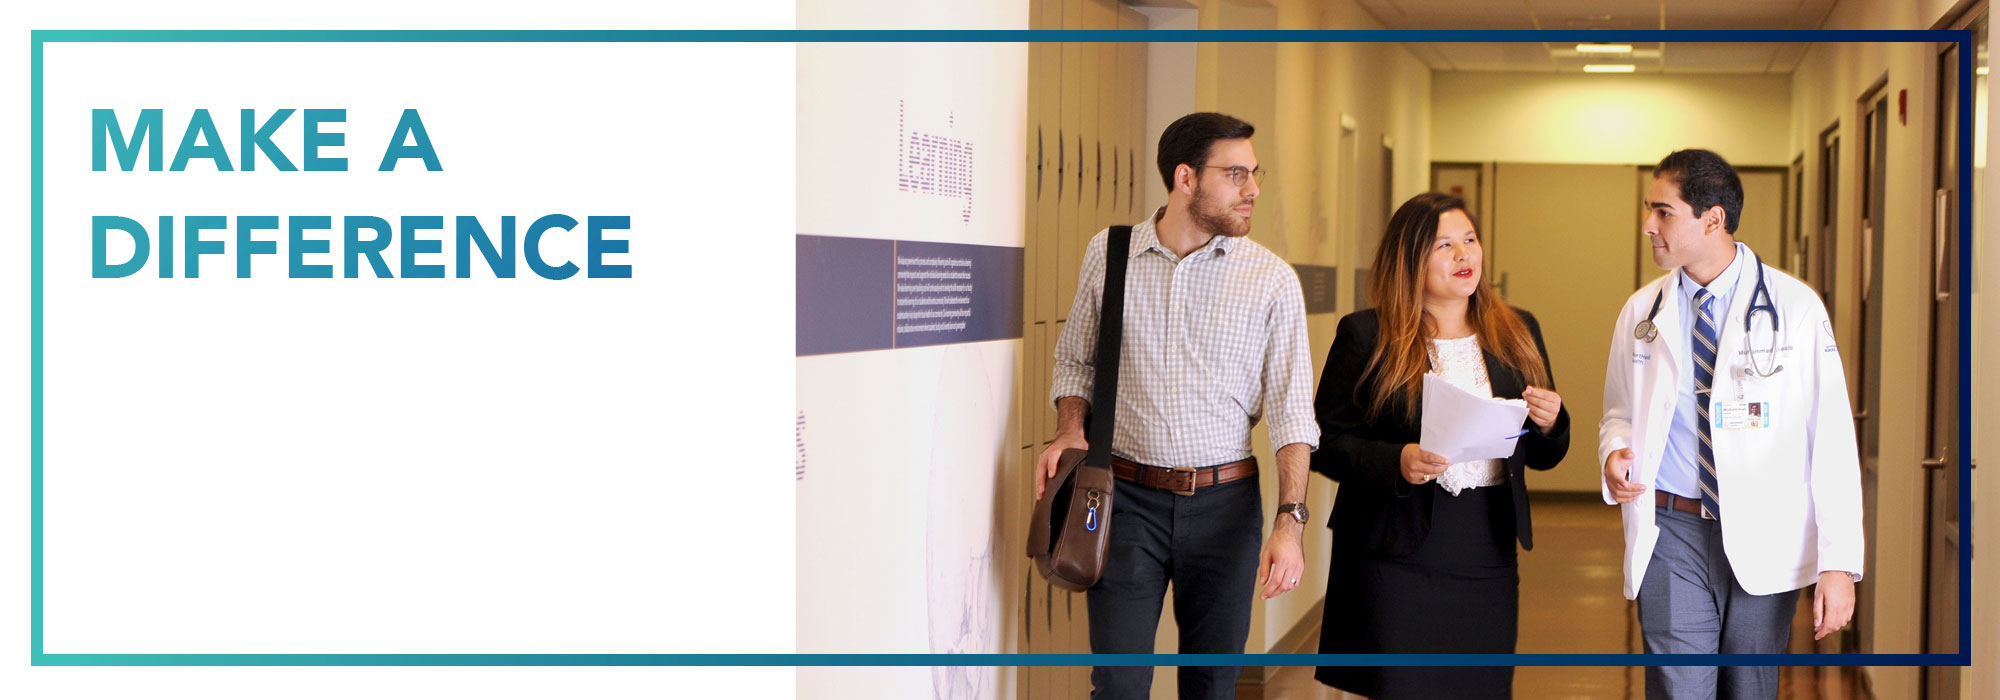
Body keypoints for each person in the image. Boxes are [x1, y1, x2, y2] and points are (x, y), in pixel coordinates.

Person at [1036, 112, 1318, 700]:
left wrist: (1289, 524)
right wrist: (1069, 429)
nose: (1253, 189)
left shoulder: (1270, 279)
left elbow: (1294, 413)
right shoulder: (1110, 254)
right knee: (1118, 683)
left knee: (1213, 684)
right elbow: (1075, 361)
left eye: (1254, 173)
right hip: (1124, 499)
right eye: (1236, 173)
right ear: (1185, 178)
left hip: (1226, 507)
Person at [1600, 149, 1863, 699]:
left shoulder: (1796, 308)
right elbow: (1619, 412)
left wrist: (1839, 564)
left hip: (1767, 528)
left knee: (1749, 688)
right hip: (1672, 527)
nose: (1648, 225)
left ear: (1712, 218)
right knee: (1681, 689)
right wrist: (1615, 452)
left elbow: (1832, 441)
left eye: (1663, 211)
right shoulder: (1641, 312)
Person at [1311, 192, 1570, 698]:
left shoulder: (1518, 330)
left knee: (1480, 688)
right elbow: (1326, 441)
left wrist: (1551, 423)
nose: (1464, 255)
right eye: (1444, 245)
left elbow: (1543, 456)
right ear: (1410, 259)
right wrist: (1396, 460)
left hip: (1484, 546)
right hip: (1394, 547)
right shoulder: (1367, 334)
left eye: (1469, 240)